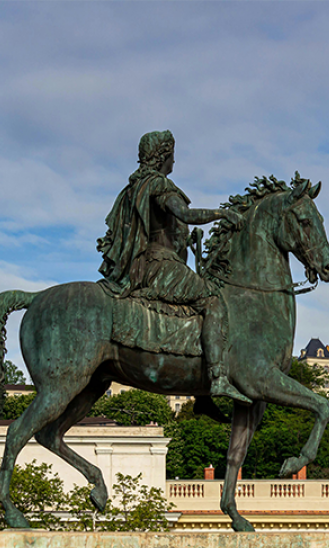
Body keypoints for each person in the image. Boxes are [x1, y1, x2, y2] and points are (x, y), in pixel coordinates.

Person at [98, 130, 251, 405]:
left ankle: (201, 395)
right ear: (162, 156)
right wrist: (223, 214)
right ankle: (217, 380)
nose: (174, 162)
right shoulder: (158, 185)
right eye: (172, 156)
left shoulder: (134, 187)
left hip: (147, 262)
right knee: (213, 301)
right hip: (159, 264)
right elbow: (186, 214)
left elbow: (163, 226)